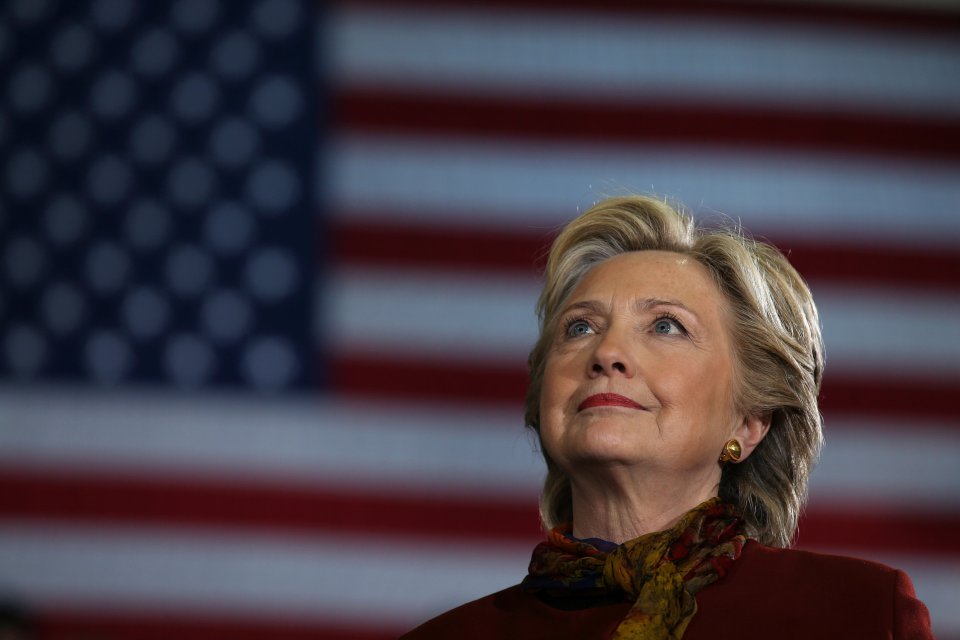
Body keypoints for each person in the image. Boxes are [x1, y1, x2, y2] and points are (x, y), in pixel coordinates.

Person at [401, 195, 933, 639]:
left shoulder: (857, 615)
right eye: (580, 328)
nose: (606, 352)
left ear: (749, 422)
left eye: (665, 327)